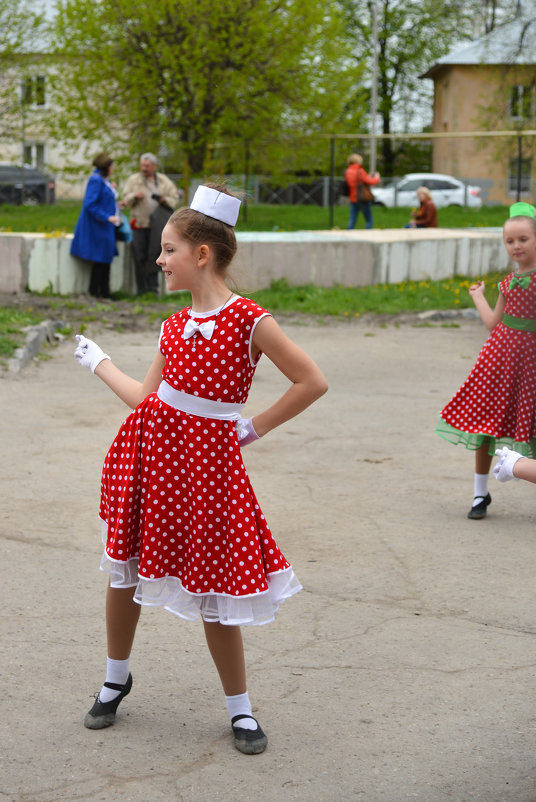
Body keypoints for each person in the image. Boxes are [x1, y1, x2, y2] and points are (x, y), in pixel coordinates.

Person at [73, 184, 328, 755]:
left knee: (217, 586)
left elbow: (312, 381)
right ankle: (116, 677)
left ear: (202, 255)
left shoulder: (248, 320)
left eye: (168, 249)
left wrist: (253, 426)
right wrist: (99, 363)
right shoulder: (172, 325)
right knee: (126, 571)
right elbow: (145, 399)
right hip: (150, 459)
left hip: (209, 473)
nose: (159, 259)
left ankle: (240, 711)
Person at [436, 201, 536, 519]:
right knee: (486, 424)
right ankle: (480, 493)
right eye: (510, 241)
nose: (516, 246)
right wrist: (479, 296)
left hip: (530, 363)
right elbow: (494, 323)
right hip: (500, 360)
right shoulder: (507, 283)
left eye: (523, 239)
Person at [120, 153, 180, 295]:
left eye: (147, 166)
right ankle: (141, 289)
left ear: (154, 166)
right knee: (139, 255)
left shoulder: (164, 181)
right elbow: (125, 198)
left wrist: (164, 199)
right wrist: (134, 196)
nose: (144, 168)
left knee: (155, 256)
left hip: (157, 226)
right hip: (139, 224)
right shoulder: (133, 180)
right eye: (142, 165)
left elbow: (174, 198)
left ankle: (153, 289)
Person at [71, 152, 120, 299]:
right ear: (106, 167)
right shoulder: (96, 180)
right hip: (98, 226)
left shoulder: (103, 180)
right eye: (111, 166)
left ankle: (103, 291)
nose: (113, 169)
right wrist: (107, 217)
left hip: (104, 225)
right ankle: (97, 291)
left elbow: (104, 200)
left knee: (105, 258)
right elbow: (90, 204)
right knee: (101, 258)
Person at [344, 153, 380, 230]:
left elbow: (356, 182)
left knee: (352, 220)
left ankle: (347, 235)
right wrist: (377, 177)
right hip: (362, 197)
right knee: (369, 220)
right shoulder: (359, 170)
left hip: (352, 198)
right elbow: (371, 182)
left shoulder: (348, 171)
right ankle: (367, 235)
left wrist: (367, 176)